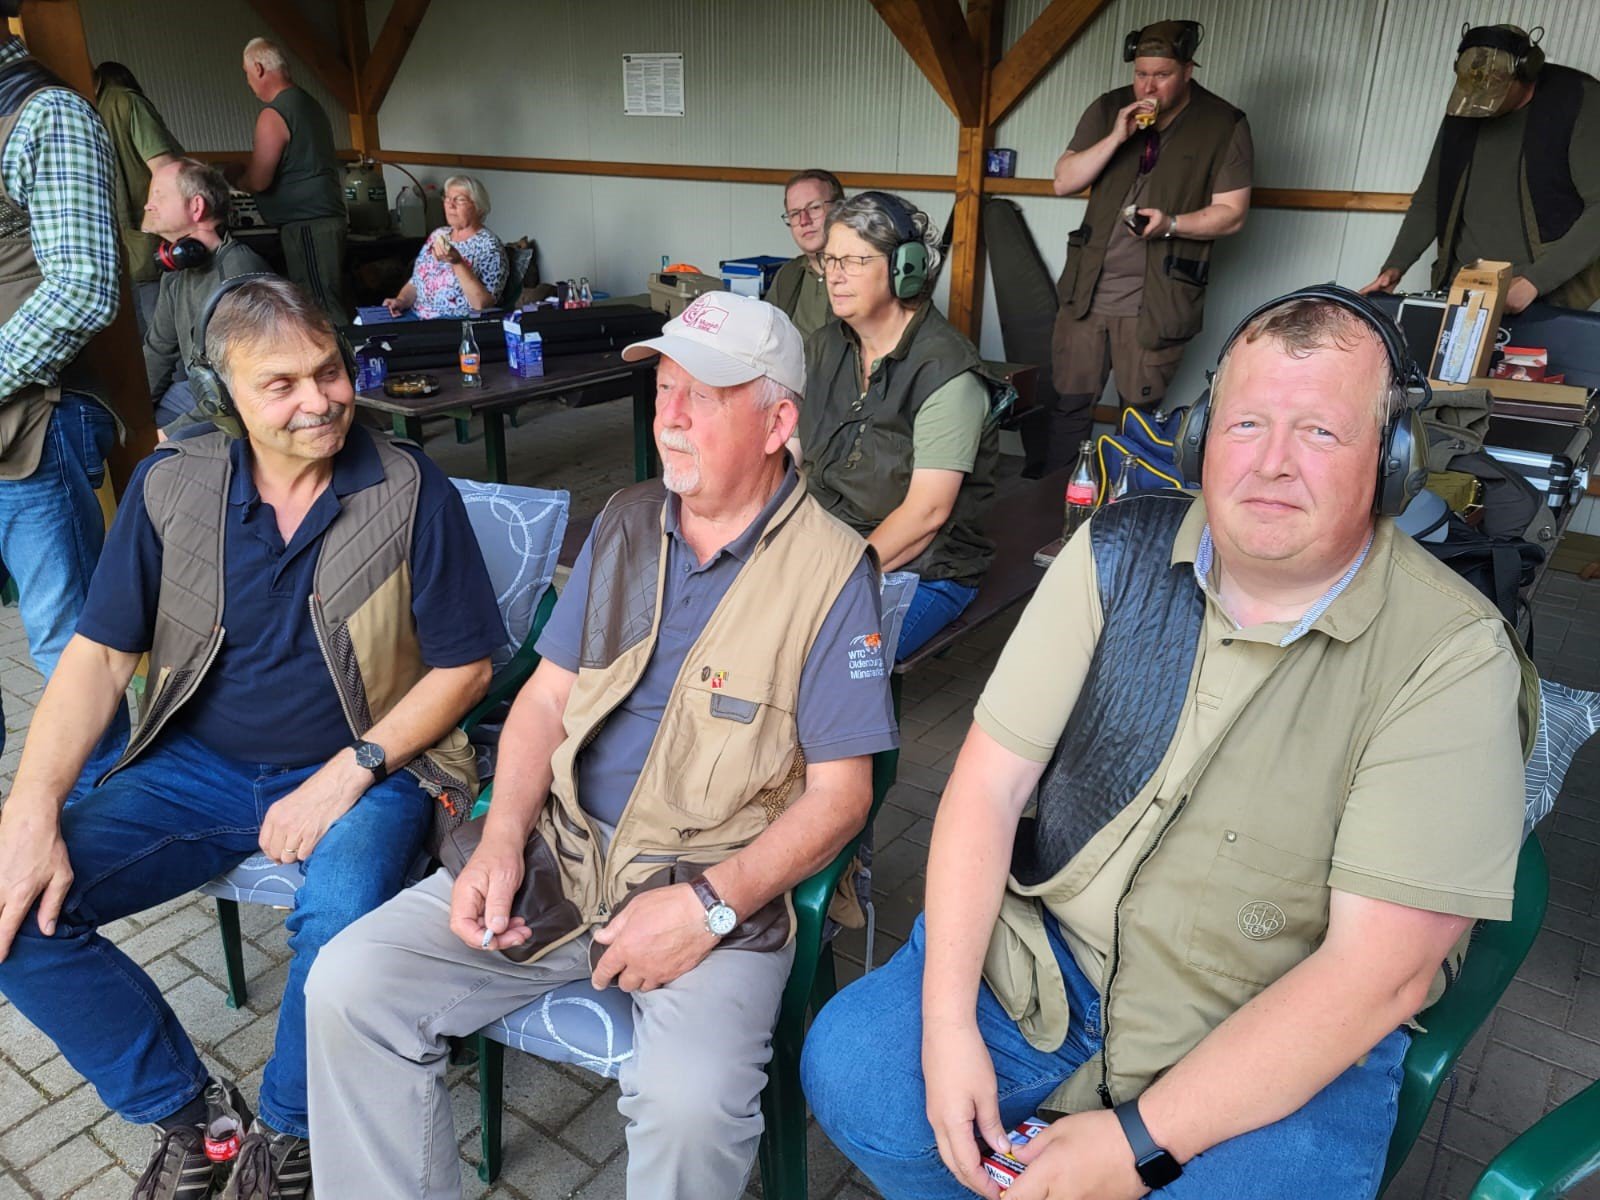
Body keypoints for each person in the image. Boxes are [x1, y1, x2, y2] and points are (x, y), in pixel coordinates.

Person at [801, 287, 1539, 1200]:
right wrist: (946, 1027)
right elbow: (987, 788)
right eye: (1246, 423)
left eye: (1320, 432)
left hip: (1268, 1017)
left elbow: (1376, 975)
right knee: (859, 1073)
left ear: (1391, 466)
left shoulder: (1451, 654)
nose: (1271, 462)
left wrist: (1139, 1146)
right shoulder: (1112, 554)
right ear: (1198, 442)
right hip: (1051, 969)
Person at [304, 292, 898, 1200]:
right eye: (663, 388)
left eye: (702, 396)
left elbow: (841, 797)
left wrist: (707, 909)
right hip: (561, 853)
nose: (670, 417)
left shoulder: (831, 572)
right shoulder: (628, 519)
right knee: (349, 985)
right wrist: (503, 840)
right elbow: (546, 697)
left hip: (708, 886)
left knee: (691, 1103)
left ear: (778, 424)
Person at [0, 277, 506, 1200]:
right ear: (222, 391)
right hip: (197, 770)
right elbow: (100, 657)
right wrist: (30, 810)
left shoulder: (406, 486)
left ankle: (290, 1132)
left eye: (329, 371)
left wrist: (346, 774)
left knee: (339, 919)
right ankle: (198, 1121)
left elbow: (466, 669)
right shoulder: (171, 485)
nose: (320, 400)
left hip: (367, 767)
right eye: (282, 384)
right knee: (14, 908)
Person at [0, 31, 131, 788]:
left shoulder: (44, 111)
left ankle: (101, 829)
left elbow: (83, 285)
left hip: (33, 425)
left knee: (70, 650)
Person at [801, 190, 998, 661]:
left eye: (854, 261)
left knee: (822, 659)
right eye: (830, 259)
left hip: (924, 566)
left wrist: (833, 581)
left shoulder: (947, 372)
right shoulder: (825, 346)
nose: (835, 275)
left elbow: (926, 515)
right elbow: (790, 454)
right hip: (830, 545)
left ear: (904, 268)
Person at [1047, 19, 1251, 468]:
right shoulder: (1109, 107)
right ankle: (1055, 502)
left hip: (1158, 300)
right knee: (1068, 408)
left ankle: (1123, 503)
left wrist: (1171, 224)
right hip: (1087, 293)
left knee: (1137, 419)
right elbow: (1064, 182)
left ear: (1188, 71)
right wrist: (1116, 136)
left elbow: (1232, 213)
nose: (1149, 86)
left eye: (1162, 75)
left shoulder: (1223, 123)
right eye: (1141, 74)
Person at [1362, 24, 1600, 314]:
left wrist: (1535, 282)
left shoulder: (1578, 100)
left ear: (1525, 71)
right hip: (1464, 288)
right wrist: (1395, 267)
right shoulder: (1467, 103)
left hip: (1546, 297)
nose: (1480, 106)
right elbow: (1430, 198)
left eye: (1493, 94)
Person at [140, 157, 271, 433]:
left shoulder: (237, 273)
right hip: (199, 391)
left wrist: (166, 436)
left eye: (159, 195)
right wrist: (131, 415)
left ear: (196, 206)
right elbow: (158, 352)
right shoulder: (176, 273)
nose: (148, 205)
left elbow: (242, 388)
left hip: (238, 401)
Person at [227, 38, 348, 321]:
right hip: (325, 218)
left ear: (258, 69)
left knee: (319, 306)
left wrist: (236, 178)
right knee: (326, 298)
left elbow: (259, 180)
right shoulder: (309, 104)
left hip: (307, 225)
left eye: (246, 73)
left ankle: (342, 351)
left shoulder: (274, 113)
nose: (248, 82)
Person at [93, 61, 182, 331]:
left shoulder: (116, 104)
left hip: (134, 248)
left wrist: (147, 226)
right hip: (136, 248)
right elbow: (168, 168)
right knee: (158, 331)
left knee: (157, 332)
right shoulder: (121, 103)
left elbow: (164, 169)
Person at [381, 175, 507, 318]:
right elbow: (417, 280)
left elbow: (483, 305)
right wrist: (401, 301)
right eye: (447, 198)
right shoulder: (439, 234)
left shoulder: (489, 246)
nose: (450, 205)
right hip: (416, 316)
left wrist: (457, 263)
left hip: (453, 323)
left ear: (478, 207)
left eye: (459, 200)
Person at [767, 167, 843, 339]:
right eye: (794, 214)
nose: (804, 221)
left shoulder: (860, 273)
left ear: (840, 210)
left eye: (814, 208)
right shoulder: (787, 275)